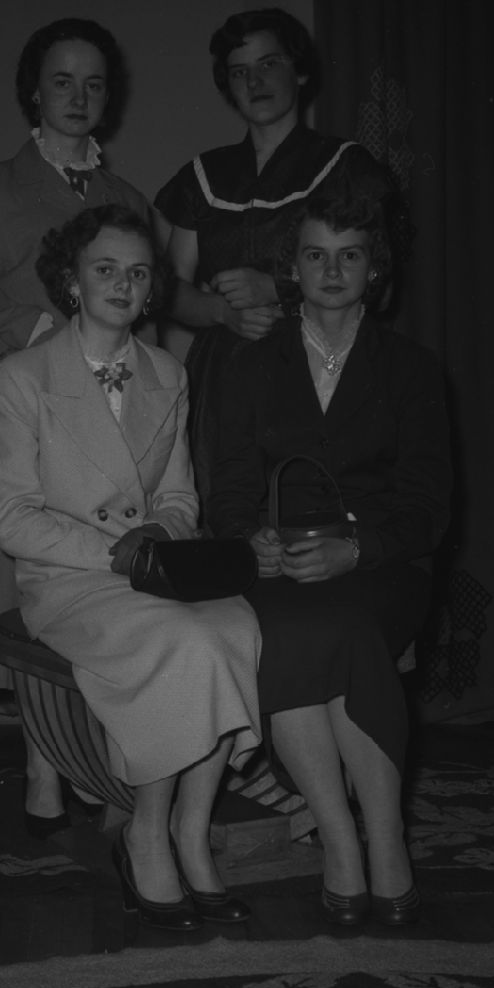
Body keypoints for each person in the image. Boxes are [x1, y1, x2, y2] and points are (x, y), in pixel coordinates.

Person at [0, 204, 262, 932]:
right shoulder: (20, 377)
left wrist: (157, 534)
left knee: (235, 625)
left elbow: (180, 497)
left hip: (151, 569)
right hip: (68, 579)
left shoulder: (167, 373)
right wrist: (114, 551)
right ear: (71, 280)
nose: (122, 284)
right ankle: (146, 831)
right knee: (188, 640)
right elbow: (13, 518)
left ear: (151, 291)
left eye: (138, 273)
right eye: (105, 268)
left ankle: (189, 835)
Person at [206, 169, 451, 927]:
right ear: (293, 267)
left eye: (350, 255)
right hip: (281, 566)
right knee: (284, 627)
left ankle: (387, 834)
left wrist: (357, 550)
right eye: (316, 254)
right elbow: (229, 489)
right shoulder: (249, 365)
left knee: (343, 625)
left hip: (381, 566)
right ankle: (341, 835)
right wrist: (249, 540)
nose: (333, 270)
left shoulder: (412, 369)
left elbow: (429, 511)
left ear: (375, 267)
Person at [0, 17, 153, 833]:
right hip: (32, 429)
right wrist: (30, 327)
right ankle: (40, 764)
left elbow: (146, 329)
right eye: (62, 80)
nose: (78, 97)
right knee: (34, 599)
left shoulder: (130, 201)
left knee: (105, 596)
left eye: (94, 83)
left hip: (113, 434)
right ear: (33, 90)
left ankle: (93, 757)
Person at [153, 7, 407, 517]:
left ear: (301, 70)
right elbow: (168, 289)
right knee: (226, 512)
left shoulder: (346, 166)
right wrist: (222, 311)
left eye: (269, 64)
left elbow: (382, 285)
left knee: (313, 512)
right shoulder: (204, 175)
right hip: (223, 379)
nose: (255, 82)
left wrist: (277, 288)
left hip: (317, 367)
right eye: (239, 72)